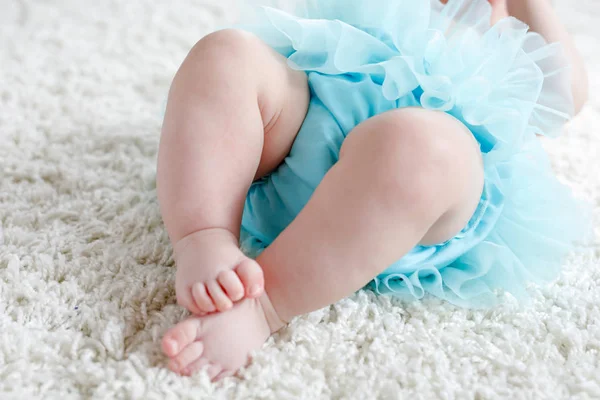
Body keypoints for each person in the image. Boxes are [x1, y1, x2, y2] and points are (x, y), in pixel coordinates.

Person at [157, 0, 589, 380]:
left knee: (425, 148)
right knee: (227, 54)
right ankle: (205, 234)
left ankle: (265, 304)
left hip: (404, 198)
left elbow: (563, 97)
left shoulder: (505, 21)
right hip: (306, 125)